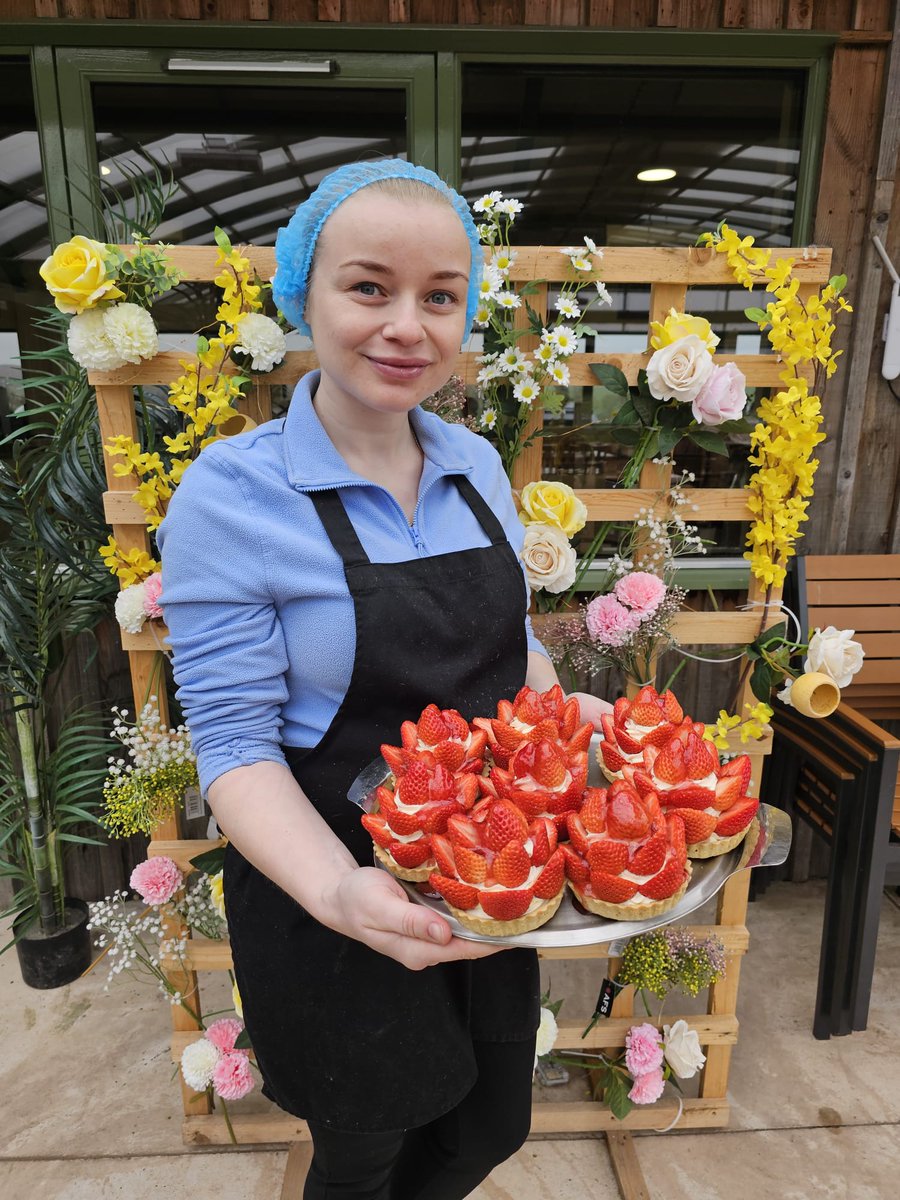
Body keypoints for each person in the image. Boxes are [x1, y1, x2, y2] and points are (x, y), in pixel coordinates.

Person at [158, 159, 612, 1200]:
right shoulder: (232, 495)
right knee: (364, 1149)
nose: (409, 325)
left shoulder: (476, 465)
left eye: (440, 296)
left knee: (489, 1127)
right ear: (301, 294)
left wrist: (551, 707)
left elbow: (507, 652)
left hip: (487, 866)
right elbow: (232, 743)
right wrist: (336, 892)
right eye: (370, 287)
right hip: (335, 884)